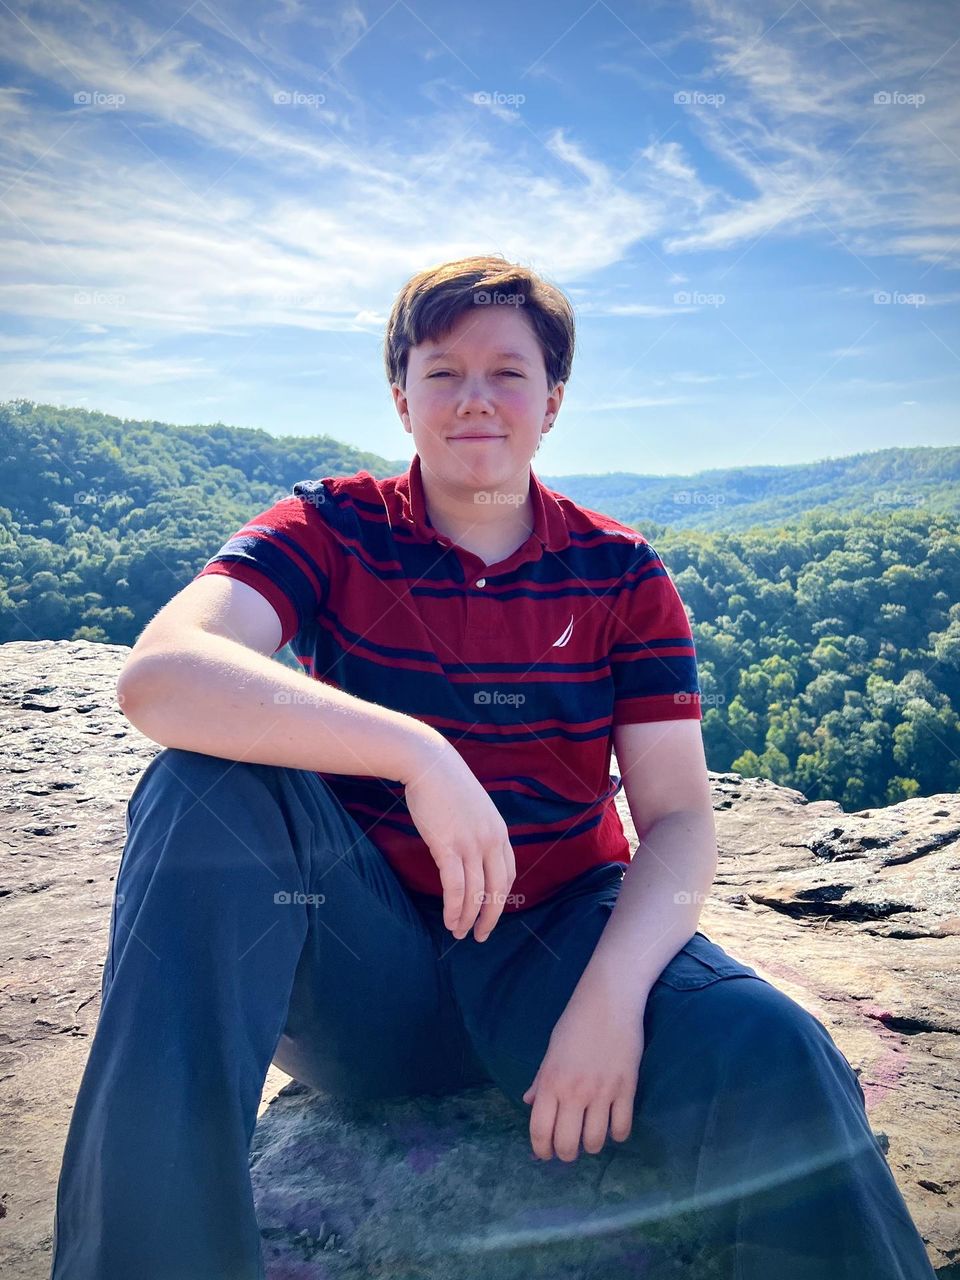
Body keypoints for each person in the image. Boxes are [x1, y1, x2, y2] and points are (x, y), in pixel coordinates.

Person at [48, 255, 937, 1279]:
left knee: (776, 1047)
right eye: (443, 370)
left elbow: (682, 818)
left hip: (555, 950)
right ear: (402, 395)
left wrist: (611, 997)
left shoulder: (622, 573)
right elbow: (162, 675)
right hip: (361, 973)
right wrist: (416, 751)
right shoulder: (331, 526)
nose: (476, 397)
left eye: (508, 371)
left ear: (552, 402)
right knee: (199, 788)